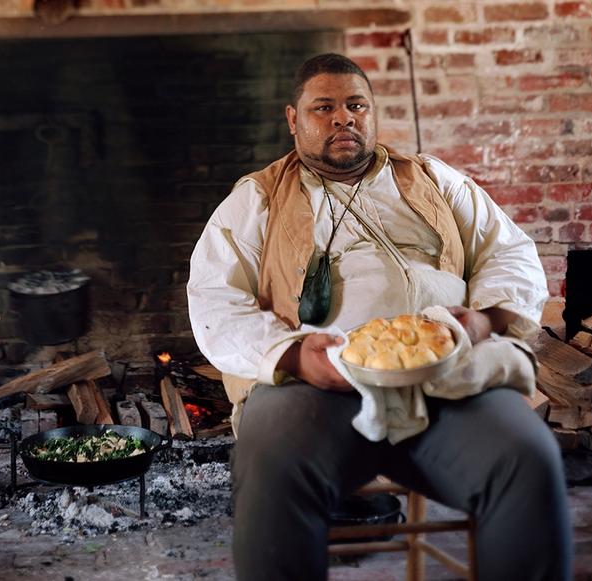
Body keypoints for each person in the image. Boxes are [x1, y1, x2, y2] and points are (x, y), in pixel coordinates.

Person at [186, 53, 571, 581]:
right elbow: (213, 298)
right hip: (316, 386)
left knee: (528, 457)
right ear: (293, 120)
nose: (343, 118)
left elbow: (511, 253)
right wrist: (295, 354)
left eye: (356, 105)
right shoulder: (257, 198)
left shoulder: (434, 177)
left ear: (372, 114)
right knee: (270, 462)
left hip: (444, 377)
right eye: (324, 108)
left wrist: (481, 320)